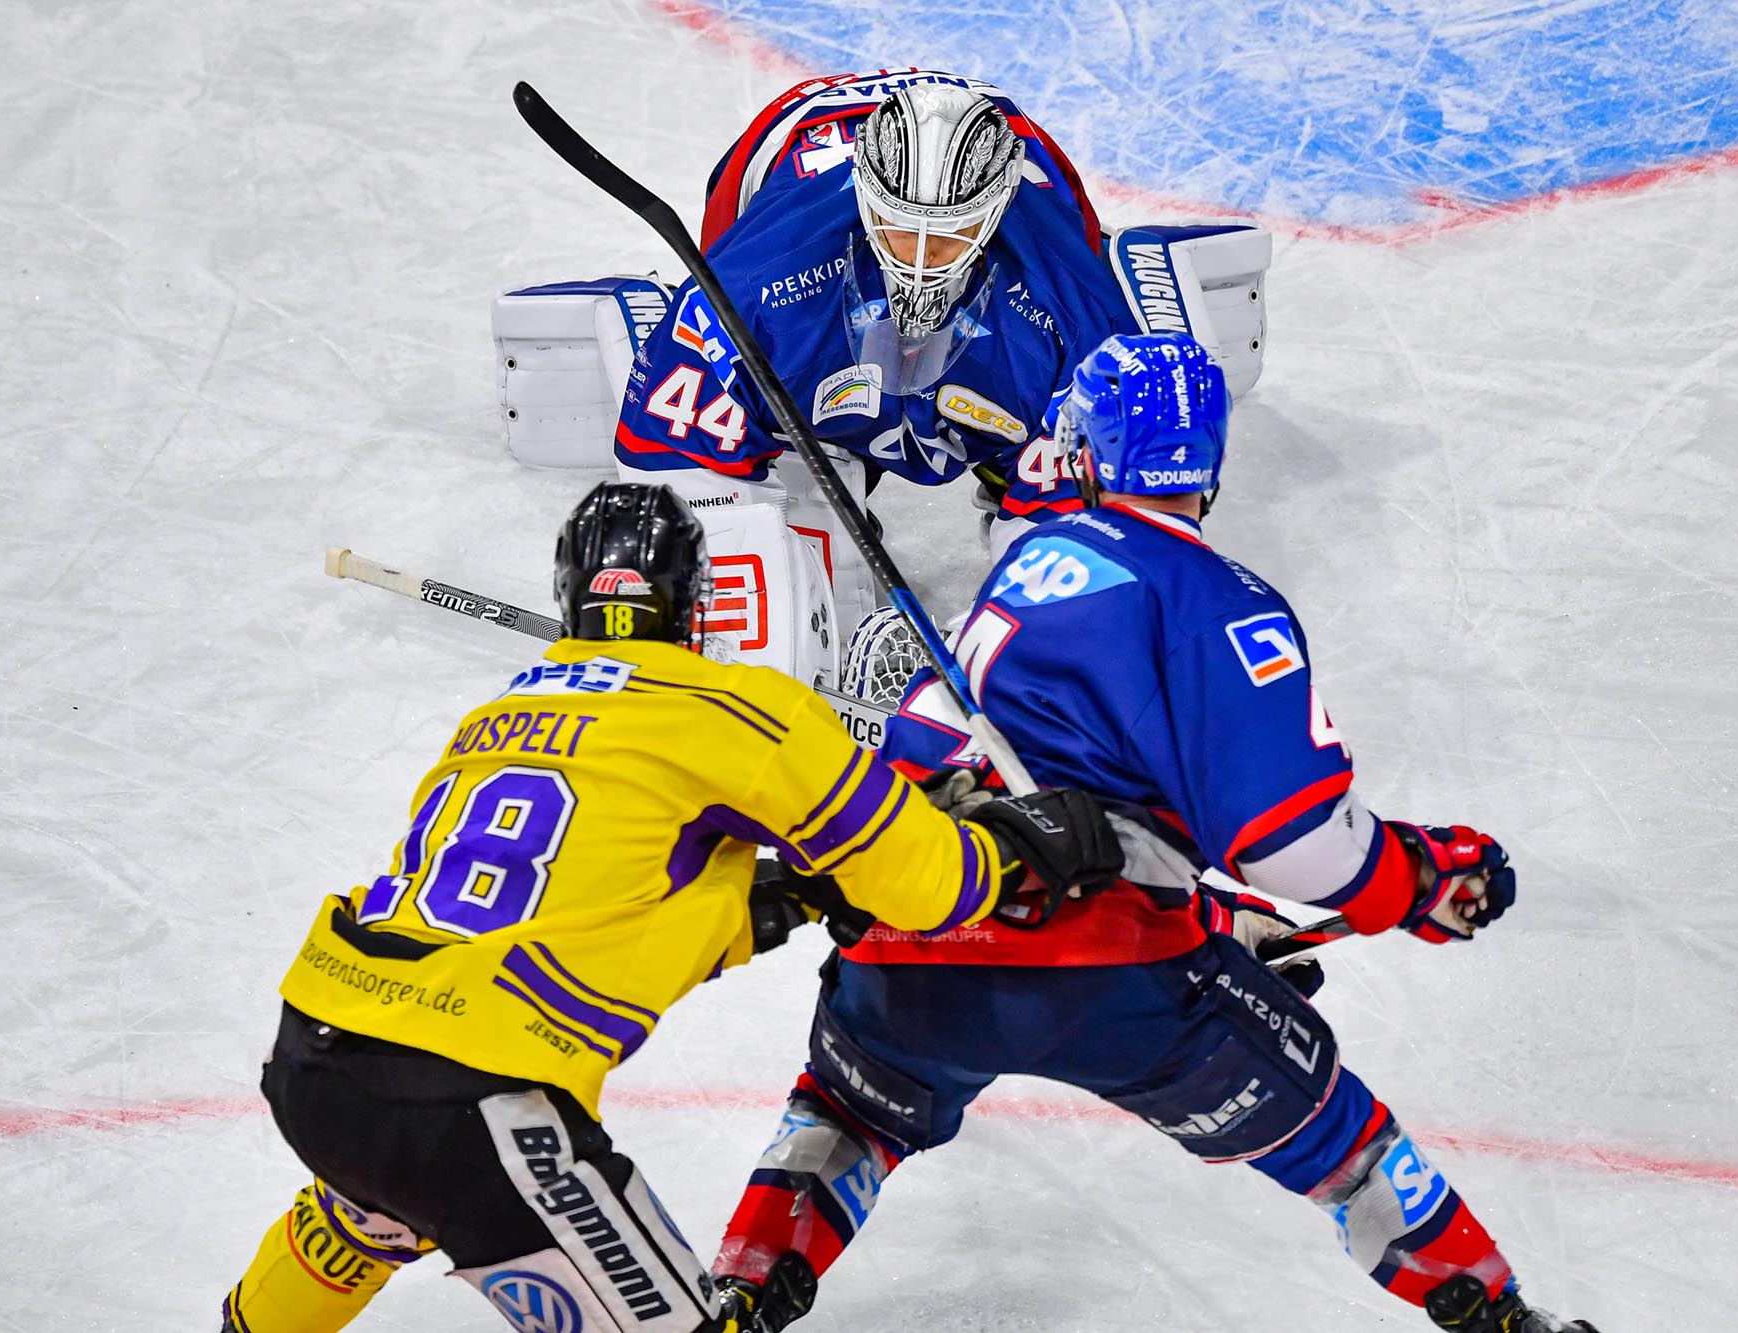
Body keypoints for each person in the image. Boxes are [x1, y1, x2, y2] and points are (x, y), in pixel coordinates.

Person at [707, 336, 1602, 1333]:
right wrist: (1422, 878)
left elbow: (964, 783)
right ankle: (1501, 1319)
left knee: (849, 1110)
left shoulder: (1026, 565)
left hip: (917, 933)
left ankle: (741, 1291)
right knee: (1341, 1146)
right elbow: (1296, 842)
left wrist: (1219, 917)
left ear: (1086, 451)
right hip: (1113, 981)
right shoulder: (1222, 604)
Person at [218, 481, 1122, 1333]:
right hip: (472, 1103)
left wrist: (788, 895)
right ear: (695, 606)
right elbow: (929, 886)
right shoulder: (740, 709)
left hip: (322, 1057)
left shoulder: (491, 721)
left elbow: (590, 904)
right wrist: (1017, 844)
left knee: (359, 1221)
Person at [496, 69, 1269, 696]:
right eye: (901, 230)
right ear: (865, 201)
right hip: (784, 148)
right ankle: (806, 438)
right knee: (800, 541)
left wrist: (1026, 618)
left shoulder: (1067, 303)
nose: (922, 261)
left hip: (1027, 231)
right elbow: (663, 453)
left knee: (1093, 537)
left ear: (994, 214)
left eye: (949, 238)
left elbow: (1108, 520)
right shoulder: (765, 277)